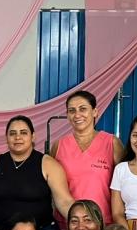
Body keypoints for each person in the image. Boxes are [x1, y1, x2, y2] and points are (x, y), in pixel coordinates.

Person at [0, 115, 73, 230]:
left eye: (23, 132)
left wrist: (81, 222)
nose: (18, 137)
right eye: (13, 133)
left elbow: (64, 202)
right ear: (6, 137)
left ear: (33, 136)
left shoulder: (48, 164)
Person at [50, 90, 126, 223]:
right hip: (68, 223)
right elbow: (52, 187)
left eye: (83, 109)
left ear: (95, 112)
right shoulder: (59, 145)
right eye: (72, 110)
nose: (77, 114)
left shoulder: (112, 143)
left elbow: (126, 184)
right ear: (67, 115)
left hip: (103, 222)